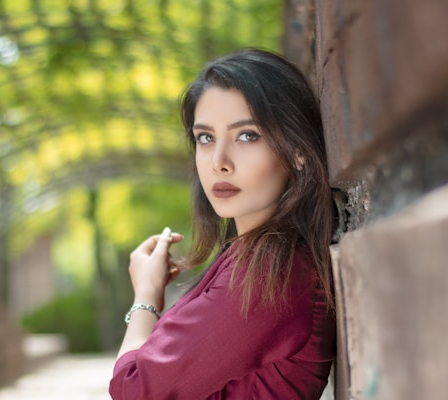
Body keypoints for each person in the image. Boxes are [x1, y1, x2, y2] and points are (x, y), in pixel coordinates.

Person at [109, 48, 336, 399]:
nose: (219, 162)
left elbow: (134, 390)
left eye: (247, 135)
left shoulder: (270, 276)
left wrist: (145, 297)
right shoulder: (248, 257)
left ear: (297, 150)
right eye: (205, 138)